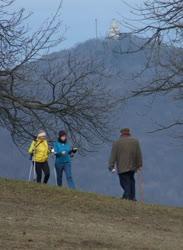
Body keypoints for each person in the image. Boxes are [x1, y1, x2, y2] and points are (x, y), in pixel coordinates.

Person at [109, 128, 143, 201]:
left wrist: (111, 166)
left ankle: (127, 197)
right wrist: (139, 164)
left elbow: (113, 155)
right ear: (129, 133)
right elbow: (138, 154)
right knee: (131, 181)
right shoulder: (135, 141)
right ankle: (131, 197)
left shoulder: (117, 142)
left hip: (122, 166)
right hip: (133, 166)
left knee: (124, 182)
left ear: (121, 133)